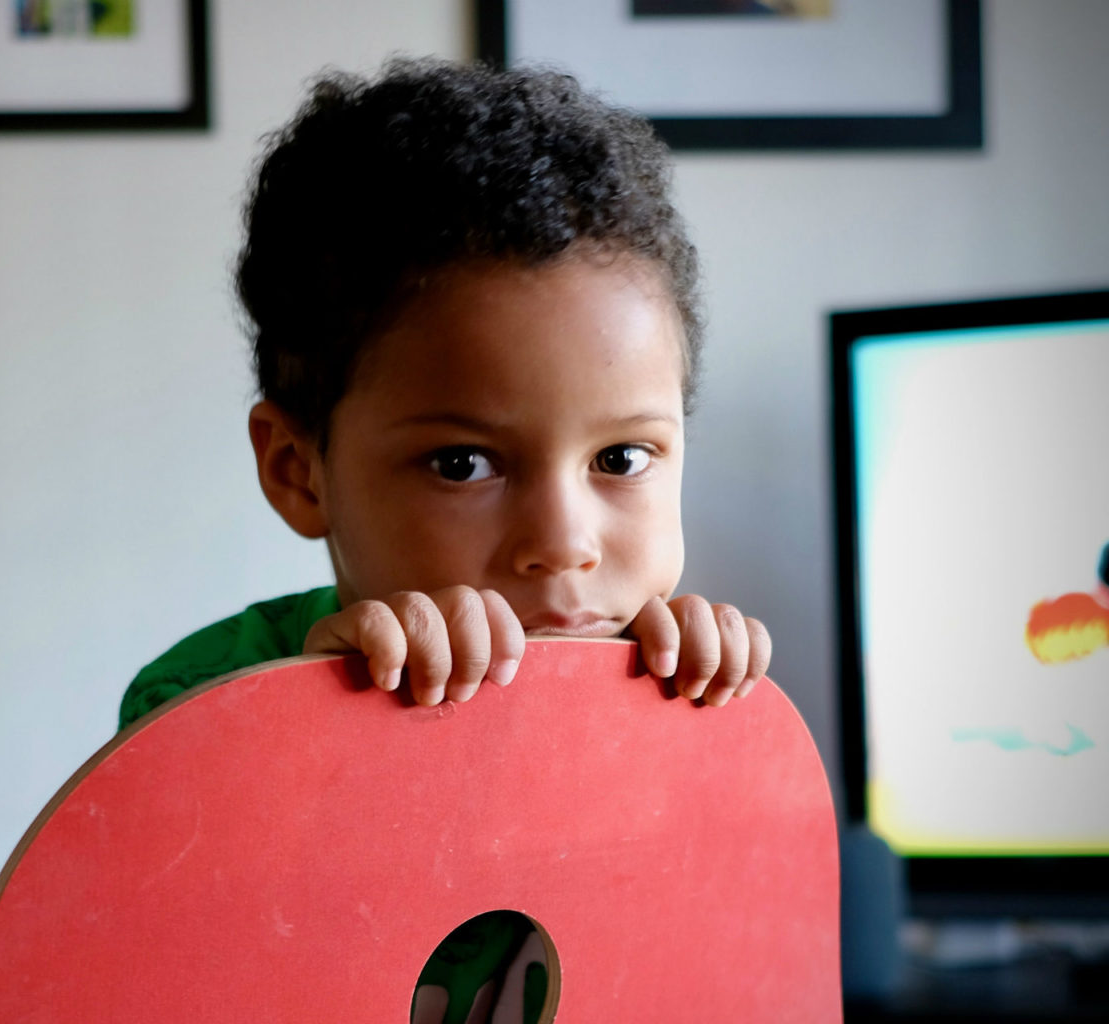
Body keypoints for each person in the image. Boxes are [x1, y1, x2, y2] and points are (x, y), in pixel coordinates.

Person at [117, 57, 772, 1024]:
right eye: (463, 465)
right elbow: (155, 974)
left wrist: (729, 753)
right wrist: (305, 742)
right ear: (300, 471)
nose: (563, 545)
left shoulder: (676, 705)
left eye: (624, 458)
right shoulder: (193, 712)